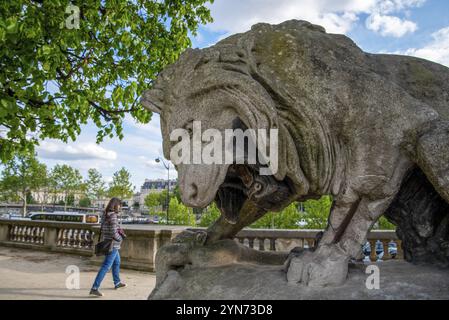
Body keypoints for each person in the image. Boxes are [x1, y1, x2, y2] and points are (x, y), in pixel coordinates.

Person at [90, 198, 127, 297]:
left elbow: (106, 229)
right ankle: (94, 288)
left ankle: (117, 282)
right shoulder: (113, 216)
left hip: (107, 241)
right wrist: (121, 238)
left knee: (117, 262)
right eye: (119, 205)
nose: (120, 207)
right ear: (115, 205)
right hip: (113, 244)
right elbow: (114, 233)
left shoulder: (105, 214)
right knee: (106, 266)